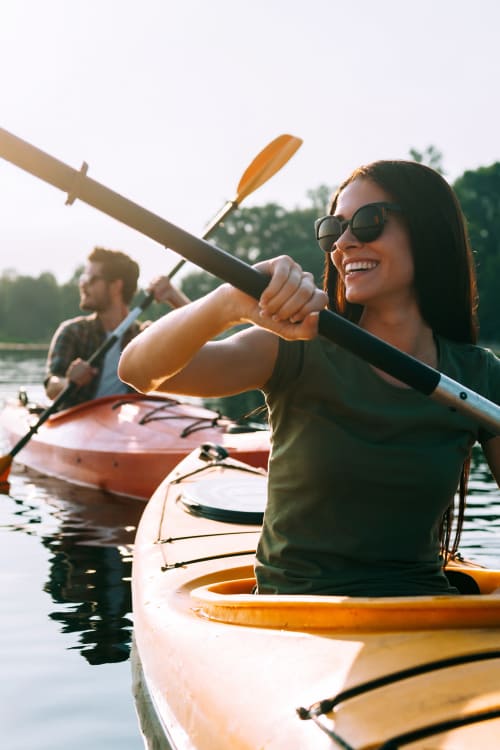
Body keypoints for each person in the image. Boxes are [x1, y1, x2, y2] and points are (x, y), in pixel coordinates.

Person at [118, 161, 500, 597]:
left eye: (367, 221)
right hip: (296, 616)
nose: (343, 243)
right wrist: (229, 303)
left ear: (428, 230)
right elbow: (137, 371)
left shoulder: (477, 375)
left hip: (426, 615)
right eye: (332, 229)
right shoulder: (294, 345)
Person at [45, 246, 189, 408]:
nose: (83, 286)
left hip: (126, 426)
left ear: (115, 286)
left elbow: (199, 337)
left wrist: (173, 296)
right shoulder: (72, 332)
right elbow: (51, 387)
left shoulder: (143, 337)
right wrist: (69, 382)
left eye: (90, 279)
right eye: (83, 278)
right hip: (77, 423)